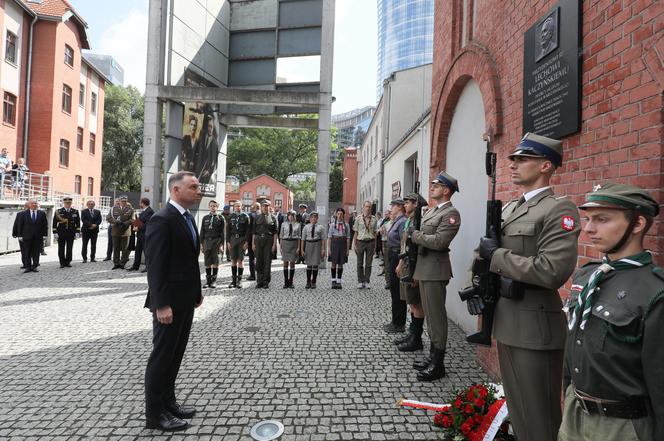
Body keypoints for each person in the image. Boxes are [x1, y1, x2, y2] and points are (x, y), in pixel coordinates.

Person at [476, 133, 580, 441]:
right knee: (520, 413)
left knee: (540, 420)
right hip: (507, 321)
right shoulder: (509, 209)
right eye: (514, 159)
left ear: (546, 165)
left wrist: (495, 255)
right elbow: (487, 254)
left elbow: (551, 271)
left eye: (523, 160)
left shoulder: (558, 210)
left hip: (535, 329)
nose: (514, 165)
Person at [559, 183, 663, 441]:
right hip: (575, 413)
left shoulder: (654, 291)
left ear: (637, 224)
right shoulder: (586, 275)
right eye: (588, 219)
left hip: (622, 426)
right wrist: (569, 395)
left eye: (602, 219)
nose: (589, 228)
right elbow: (573, 346)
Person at [144, 171, 203, 432]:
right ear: (176, 190)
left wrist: (196, 293)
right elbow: (155, 266)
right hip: (168, 303)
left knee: (175, 355)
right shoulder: (162, 219)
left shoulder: (186, 217)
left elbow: (188, 261)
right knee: (162, 357)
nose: (198, 191)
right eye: (193, 187)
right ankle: (155, 415)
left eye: (198, 187)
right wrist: (161, 304)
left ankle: (169, 403)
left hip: (185, 299)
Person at [409, 173, 461, 381]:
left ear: (446, 190)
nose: (432, 187)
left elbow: (440, 242)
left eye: (436, 185)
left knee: (436, 318)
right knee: (430, 317)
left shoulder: (451, 213)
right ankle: (432, 357)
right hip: (424, 268)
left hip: (435, 271)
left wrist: (416, 236)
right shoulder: (433, 211)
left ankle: (438, 364)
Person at [394, 192, 429, 353]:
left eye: (408, 202)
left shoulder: (419, 222)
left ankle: (416, 338)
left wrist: (415, 271)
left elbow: (418, 249)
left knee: (416, 302)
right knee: (411, 302)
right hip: (406, 263)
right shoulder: (408, 220)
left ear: (416, 204)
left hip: (414, 265)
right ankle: (412, 333)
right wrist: (400, 264)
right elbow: (404, 245)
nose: (405, 205)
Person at [384, 200, 408, 333]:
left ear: (399, 207)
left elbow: (403, 244)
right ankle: (395, 321)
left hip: (397, 256)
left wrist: (400, 263)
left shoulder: (402, 221)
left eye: (393, 206)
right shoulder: (397, 220)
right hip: (392, 255)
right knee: (394, 290)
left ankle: (399, 324)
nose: (391, 208)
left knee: (398, 291)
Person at [13, 199, 47, 272]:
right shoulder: (23, 214)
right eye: (32, 203)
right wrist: (19, 235)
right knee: (27, 252)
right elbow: (20, 225)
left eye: (35, 203)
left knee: (36, 252)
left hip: (38, 236)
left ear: (37, 205)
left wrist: (45, 235)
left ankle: (34, 266)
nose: (34, 205)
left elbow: (45, 225)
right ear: (29, 205)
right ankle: (28, 267)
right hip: (27, 236)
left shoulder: (42, 213)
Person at [199, 200, 225, 288]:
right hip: (206, 241)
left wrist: (221, 245)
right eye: (211, 206)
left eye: (214, 206)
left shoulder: (221, 218)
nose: (213, 207)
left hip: (216, 241)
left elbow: (222, 233)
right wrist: (201, 244)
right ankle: (208, 281)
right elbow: (202, 231)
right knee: (207, 262)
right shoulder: (205, 218)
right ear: (209, 207)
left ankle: (214, 281)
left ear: (217, 207)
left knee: (215, 261)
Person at [253, 199, 278, 289]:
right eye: (263, 206)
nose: (265, 207)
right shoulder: (257, 217)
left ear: (269, 207)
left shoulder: (273, 218)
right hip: (258, 240)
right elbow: (254, 232)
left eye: (267, 206)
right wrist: (253, 244)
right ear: (261, 207)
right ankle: (259, 281)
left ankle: (266, 281)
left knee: (267, 261)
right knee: (259, 261)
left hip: (268, 240)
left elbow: (275, 232)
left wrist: (274, 244)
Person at [353, 201, 378, 289]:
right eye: (366, 206)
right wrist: (354, 245)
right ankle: (360, 281)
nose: (368, 208)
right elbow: (355, 232)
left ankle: (367, 281)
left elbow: (375, 234)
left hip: (370, 242)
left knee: (369, 264)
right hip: (360, 242)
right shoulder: (358, 218)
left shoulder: (374, 219)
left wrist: (375, 246)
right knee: (359, 263)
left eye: (369, 207)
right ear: (363, 207)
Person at [226, 201, 251, 288]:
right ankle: (233, 281)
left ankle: (239, 281)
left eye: (239, 206)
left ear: (242, 207)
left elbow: (248, 231)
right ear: (234, 207)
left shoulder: (245, 217)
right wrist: (228, 242)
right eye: (235, 206)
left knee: (240, 260)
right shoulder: (230, 217)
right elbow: (228, 231)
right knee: (233, 260)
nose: (237, 207)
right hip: (233, 239)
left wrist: (247, 242)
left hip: (242, 239)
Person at [53, 196, 81, 268]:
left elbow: (78, 222)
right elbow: (54, 223)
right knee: (61, 248)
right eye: (66, 203)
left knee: (69, 248)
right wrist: (55, 232)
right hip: (61, 232)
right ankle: (62, 262)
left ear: (71, 203)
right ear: (64, 203)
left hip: (71, 232)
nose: (68, 204)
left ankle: (68, 261)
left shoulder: (75, 211)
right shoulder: (58, 211)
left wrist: (77, 231)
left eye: (69, 203)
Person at [107, 195, 134, 269]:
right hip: (115, 231)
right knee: (116, 248)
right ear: (119, 201)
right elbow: (108, 218)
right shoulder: (113, 209)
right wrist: (116, 222)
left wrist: (125, 223)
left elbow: (132, 219)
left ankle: (123, 263)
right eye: (122, 201)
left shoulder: (131, 209)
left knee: (125, 249)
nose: (124, 202)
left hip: (125, 231)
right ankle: (116, 263)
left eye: (125, 201)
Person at [300, 212, 325, 289]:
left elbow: (323, 239)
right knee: (309, 264)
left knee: (315, 264)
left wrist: (323, 249)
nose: (314, 219)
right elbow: (303, 239)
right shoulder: (306, 227)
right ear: (310, 218)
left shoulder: (321, 227)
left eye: (315, 217)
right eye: (312, 217)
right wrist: (302, 250)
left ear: (317, 218)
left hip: (317, 245)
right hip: (308, 245)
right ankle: (308, 281)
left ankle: (314, 281)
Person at [327, 207, 351, 289]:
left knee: (341, 263)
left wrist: (348, 249)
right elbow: (329, 237)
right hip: (334, 244)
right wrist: (329, 249)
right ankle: (333, 281)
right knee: (333, 263)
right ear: (336, 215)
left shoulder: (346, 225)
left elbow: (348, 238)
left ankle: (339, 281)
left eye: (341, 214)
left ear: (343, 215)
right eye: (338, 214)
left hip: (342, 244)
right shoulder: (332, 225)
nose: (340, 215)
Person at [129, 198, 154, 272]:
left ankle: (148, 267)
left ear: (143, 203)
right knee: (138, 251)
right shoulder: (143, 211)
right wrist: (135, 225)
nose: (139, 204)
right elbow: (140, 221)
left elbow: (148, 224)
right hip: (140, 235)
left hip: (145, 235)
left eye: (140, 203)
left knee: (146, 252)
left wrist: (138, 227)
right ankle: (135, 266)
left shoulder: (150, 211)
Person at [279, 210, 301, 288]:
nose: (290, 217)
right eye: (289, 215)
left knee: (292, 263)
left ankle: (291, 281)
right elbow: (281, 236)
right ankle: (286, 282)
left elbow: (299, 237)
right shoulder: (283, 224)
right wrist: (281, 247)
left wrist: (299, 247)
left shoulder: (298, 225)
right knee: (285, 263)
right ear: (287, 216)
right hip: (285, 243)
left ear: (294, 216)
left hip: (294, 243)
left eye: (292, 215)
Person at [246, 201, 261, 281]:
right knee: (257, 258)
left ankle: (253, 275)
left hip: (253, 238)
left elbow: (248, 229)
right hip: (258, 239)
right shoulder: (262, 215)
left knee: (252, 258)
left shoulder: (251, 216)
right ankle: (257, 275)